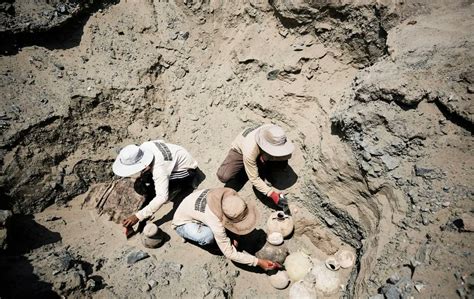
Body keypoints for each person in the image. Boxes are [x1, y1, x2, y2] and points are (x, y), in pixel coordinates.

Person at [172, 187, 281, 271]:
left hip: (191, 205)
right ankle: (187, 235)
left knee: (231, 237)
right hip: (183, 222)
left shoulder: (228, 197)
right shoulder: (215, 222)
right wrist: (258, 262)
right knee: (208, 237)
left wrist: (235, 235)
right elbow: (230, 254)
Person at [112, 140, 198, 228]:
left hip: (187, 170)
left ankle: (182, 186)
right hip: (178, 157)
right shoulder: (146, 146)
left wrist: (138, 216)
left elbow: (162, 197)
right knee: (144, 181)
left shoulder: (160, 169)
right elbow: (161, 142)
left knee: (164, 196)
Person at [216, 124, 294, 209]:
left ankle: (258, 164)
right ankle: (245, 170)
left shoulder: (276, 134)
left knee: (281, 162)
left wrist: (267, 156)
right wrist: (272, 194)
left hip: (259, 147)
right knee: (224, 175)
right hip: (241, 150)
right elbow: (254, 179)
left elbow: (287, 155)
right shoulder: (250, 149)